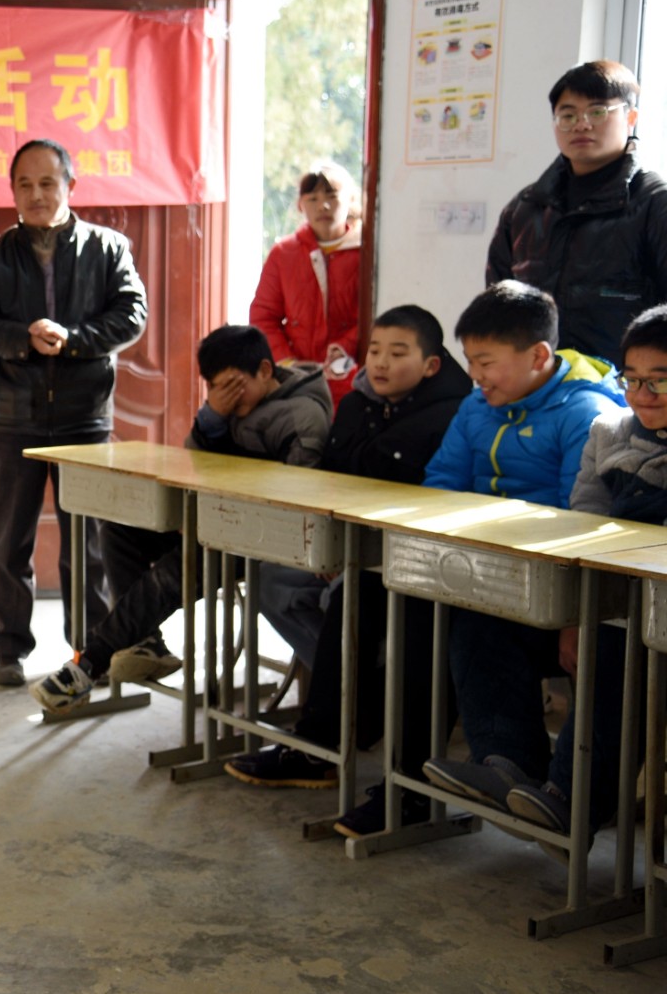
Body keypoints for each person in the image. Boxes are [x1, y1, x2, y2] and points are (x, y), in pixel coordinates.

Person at [221, 306, 473, 837]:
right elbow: (332, 481)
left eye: (397, 353)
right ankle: (325, 740)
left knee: (397, 617)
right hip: (357, 554)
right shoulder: (357, 403)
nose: (379, 363)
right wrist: (327, 549)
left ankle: (407, 785)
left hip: (425, 563)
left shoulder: (455, 412)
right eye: (374, 350)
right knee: (281, 582)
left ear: (430, 364)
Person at [418, 282, 627, 851]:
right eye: (470, 362)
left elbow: (580, 526)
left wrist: (571, 616)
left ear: (538, 356)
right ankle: (508, 766)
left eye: (487, 363)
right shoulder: (476, 406)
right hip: (504, 581)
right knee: (472, 624)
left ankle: (568, 802)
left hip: (571, 595)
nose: (476, 376)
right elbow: (441, 486)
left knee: (603, 662)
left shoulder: (588, 412)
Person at [29, 324, 331, 711]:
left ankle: (89, 662)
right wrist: (211, 419)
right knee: (122, 529)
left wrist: (214, 516)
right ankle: (146, 644)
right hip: (219, 521)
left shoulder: (304, 417)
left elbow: (294, 502)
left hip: (261, 538)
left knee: (175, 570)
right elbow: (199, 465)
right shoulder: (231, 406)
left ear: (266, 371)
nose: (228, 398)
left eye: (234, 387)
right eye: (217, 389)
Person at [0, 139, 149, 687]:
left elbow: (132, 315)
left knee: (85, 543)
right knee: (8, 542)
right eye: (24, 185)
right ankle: (9, 651)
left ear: (70, 186)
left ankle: (90, 650)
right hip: (14, 417)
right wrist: (23, 338)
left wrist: (75, 340)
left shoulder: (109, 249)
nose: (36, 195)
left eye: (47, 183)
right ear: (12, 191)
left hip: (84, 418)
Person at [483, 304, 667, 845]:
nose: (642, 395)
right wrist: (572, 620)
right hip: (611, 606)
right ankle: (505, 768)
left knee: (617, 648)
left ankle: (569, 803)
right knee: (486, 619)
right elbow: (583, 533)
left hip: (648, 622)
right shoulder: (608, 432)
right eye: (632, 379)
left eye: (660, 381)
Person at [487, 60, 667, 366]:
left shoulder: (653, 203)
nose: (581, 124)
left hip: (623, 394)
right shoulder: (526, 208)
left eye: (597, 111)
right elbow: (497, 305)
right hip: (535, 388)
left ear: (631, 117)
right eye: (567, 115)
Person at [249, 161, 364, 407]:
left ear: (350, 200)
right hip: (297, 379)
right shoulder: (284, 253)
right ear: (301, 205)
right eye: (312, 198)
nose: (322, 205)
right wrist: (287, 362)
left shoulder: (366, 253)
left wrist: (344, 347)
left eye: (331, 196)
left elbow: (374, 314)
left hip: (354, 373)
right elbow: (263, 316)